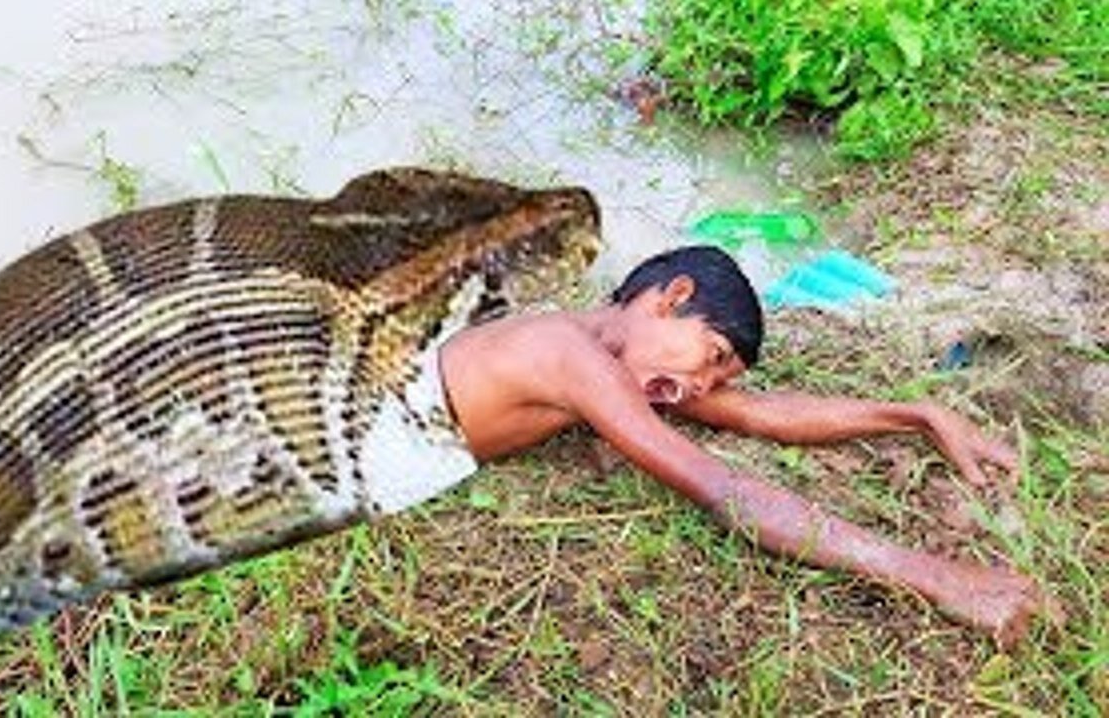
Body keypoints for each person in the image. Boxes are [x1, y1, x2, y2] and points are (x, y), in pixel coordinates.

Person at [439, 245, 1041, 646]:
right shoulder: (563, 350)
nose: (699, 388)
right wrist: (938, 577)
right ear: (672, 297)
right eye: (713, 357)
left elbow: (760, 413)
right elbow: (724, 489)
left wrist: (915, 415)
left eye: (713, 381)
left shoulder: (619, 361)